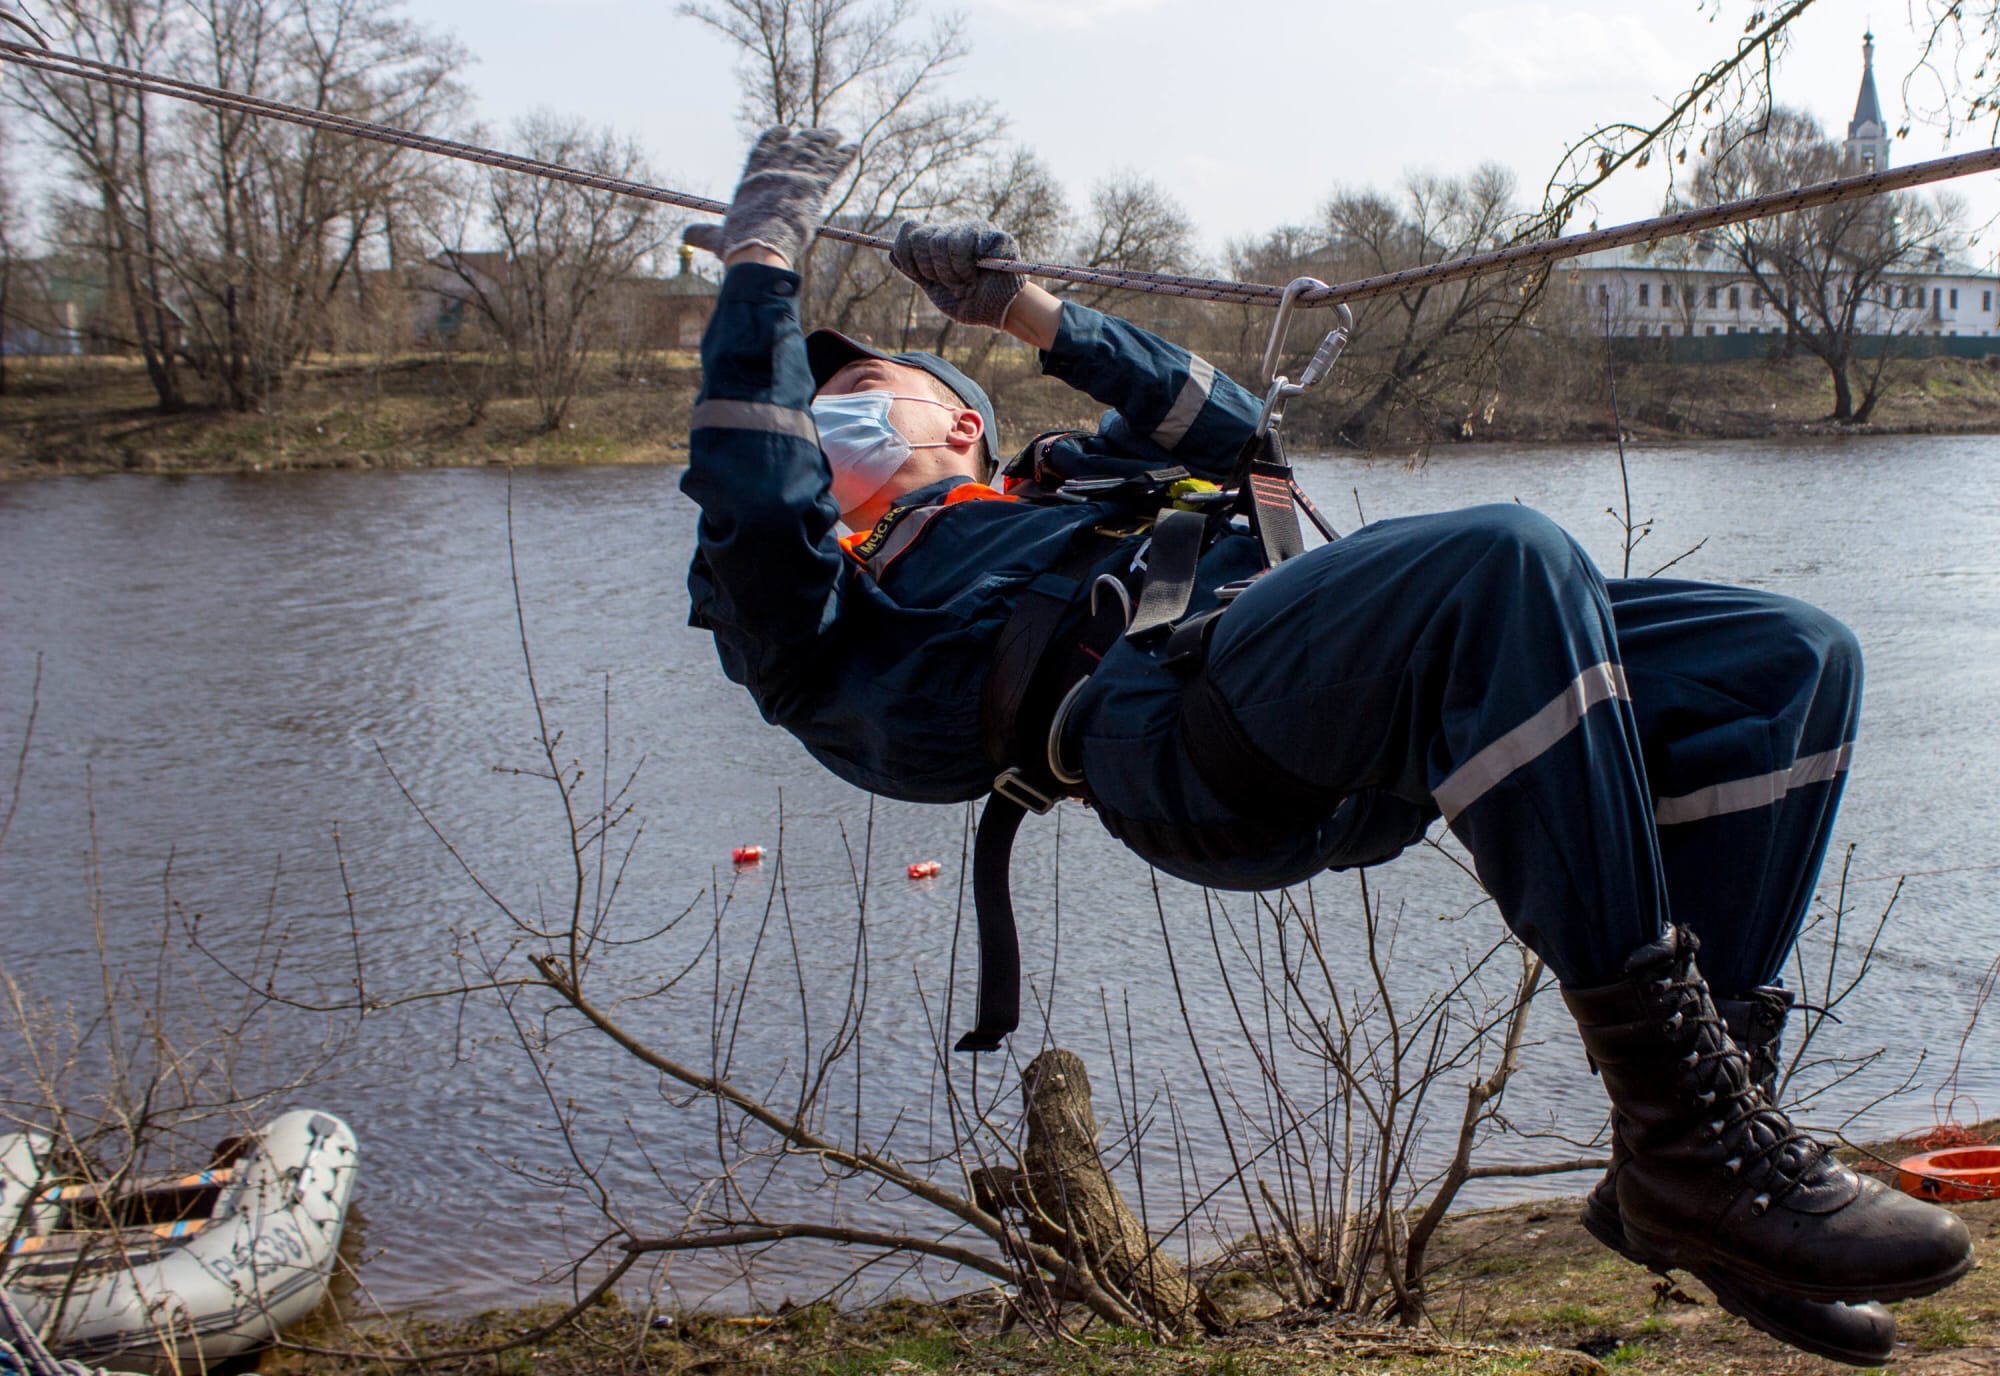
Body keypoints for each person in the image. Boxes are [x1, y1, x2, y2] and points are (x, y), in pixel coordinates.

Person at [680, 127, 1972, 1365]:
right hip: (1183, 741)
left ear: (965, 424)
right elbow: (752, 488)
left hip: (1353, 695)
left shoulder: (1071, 487)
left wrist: (1033, 317)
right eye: (812, 403)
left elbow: (1237, 431)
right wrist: (763, 269)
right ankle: (1695, 1146)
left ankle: (1699, 1167)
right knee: (1503, 557)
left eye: (854, 391)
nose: (819, 412)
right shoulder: (827, 618)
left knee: (1784, 661)